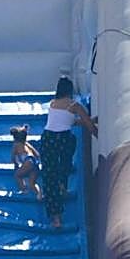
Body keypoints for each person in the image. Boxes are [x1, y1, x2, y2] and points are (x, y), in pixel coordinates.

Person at [39, 76, 98, 228]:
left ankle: (55, 217)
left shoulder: (52, 104)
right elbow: (89, 127)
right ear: (70, 91)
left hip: (47, 139)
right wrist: (98, 132)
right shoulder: (75, 105)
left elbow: (66, 121)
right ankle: (62, 186)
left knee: (49, 174)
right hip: (63, 139)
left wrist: (88, 120)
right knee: (64, 165)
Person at [9, 125, 42, 199]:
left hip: (28, 162)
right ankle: (39, 193)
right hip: (34, 162)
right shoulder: (27, 144)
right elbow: (37, 154)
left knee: (17, 175)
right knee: (32, 183)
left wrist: (16, 164)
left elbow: (13, 157)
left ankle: (24, 189)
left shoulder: (16, 145)